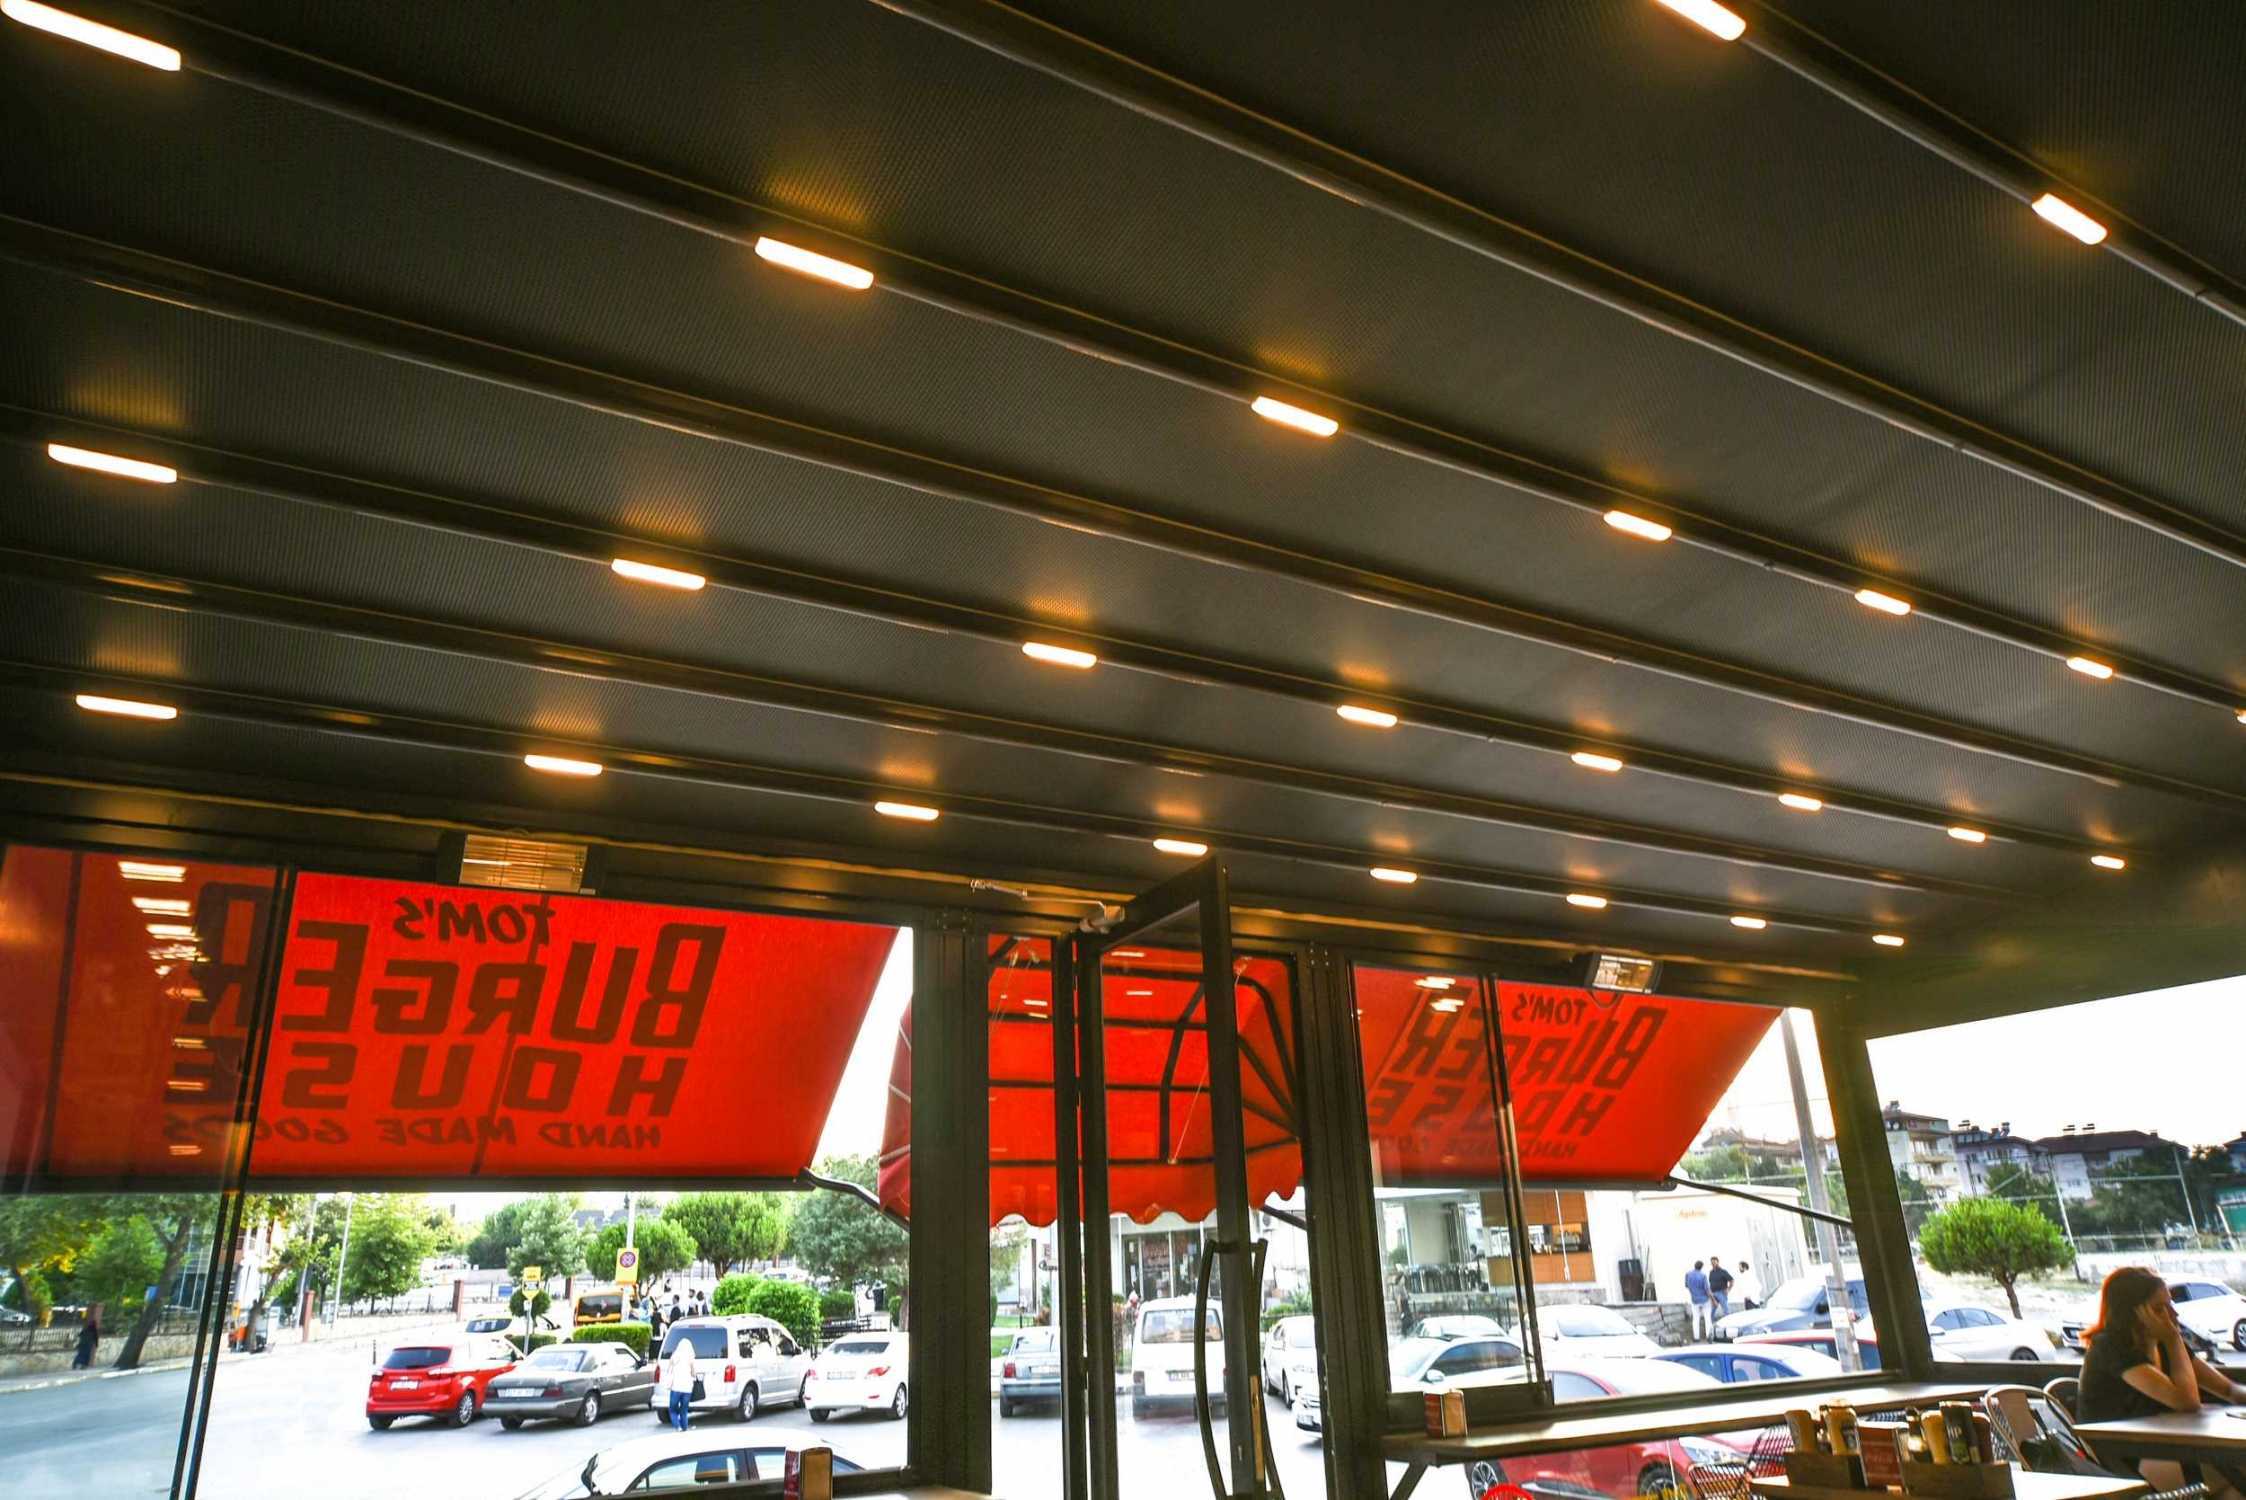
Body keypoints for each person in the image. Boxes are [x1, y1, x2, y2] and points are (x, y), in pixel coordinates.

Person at [2078, 1267, 2242, 1500]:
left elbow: (2228, 1389)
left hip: (2169, 1447)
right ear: (2133, 1313)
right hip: (2123, 1459)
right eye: (2159, 1308)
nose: (2173, 1314)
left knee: (2236, 1484)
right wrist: (2174, 1339)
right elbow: (2187, 1402)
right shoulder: (2111, 1347)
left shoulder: (2162, 1342)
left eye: (2170, 1304)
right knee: (2238, 1473)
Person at [664, 1332, 699, 1432]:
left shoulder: (675, 1356)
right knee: (684, 1410)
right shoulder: (691, 1358)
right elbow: (694, 1374)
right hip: (687, 1388)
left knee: (672, 1409)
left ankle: (677, 1426)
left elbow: (669, 1370)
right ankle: (685, 1428)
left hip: (676, 1387)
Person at [1683, 1260, 1711, 1338]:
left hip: (1694, 1300)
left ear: (1694, 1265)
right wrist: (1712, 1299)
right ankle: (1709, 1336)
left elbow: (1686, 1285)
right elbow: (1707, 1289)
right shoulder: (1703, 1276)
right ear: (1701, 1267)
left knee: (1695, 1319)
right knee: (1707, 1319)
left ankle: (1696, 1337)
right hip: (1705, 1300)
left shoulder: (1688, 1274)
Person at [71, 1306, 100, 1370]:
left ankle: (75, 1364)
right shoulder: (94, 1331)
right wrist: (96, 1345)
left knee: (80, 1355)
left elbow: (80, 1335)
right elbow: (96, 1338)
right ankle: (83, 1366)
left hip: (82, 1344)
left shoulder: (86, 1329)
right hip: (88, 1345)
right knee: (86, 1356)